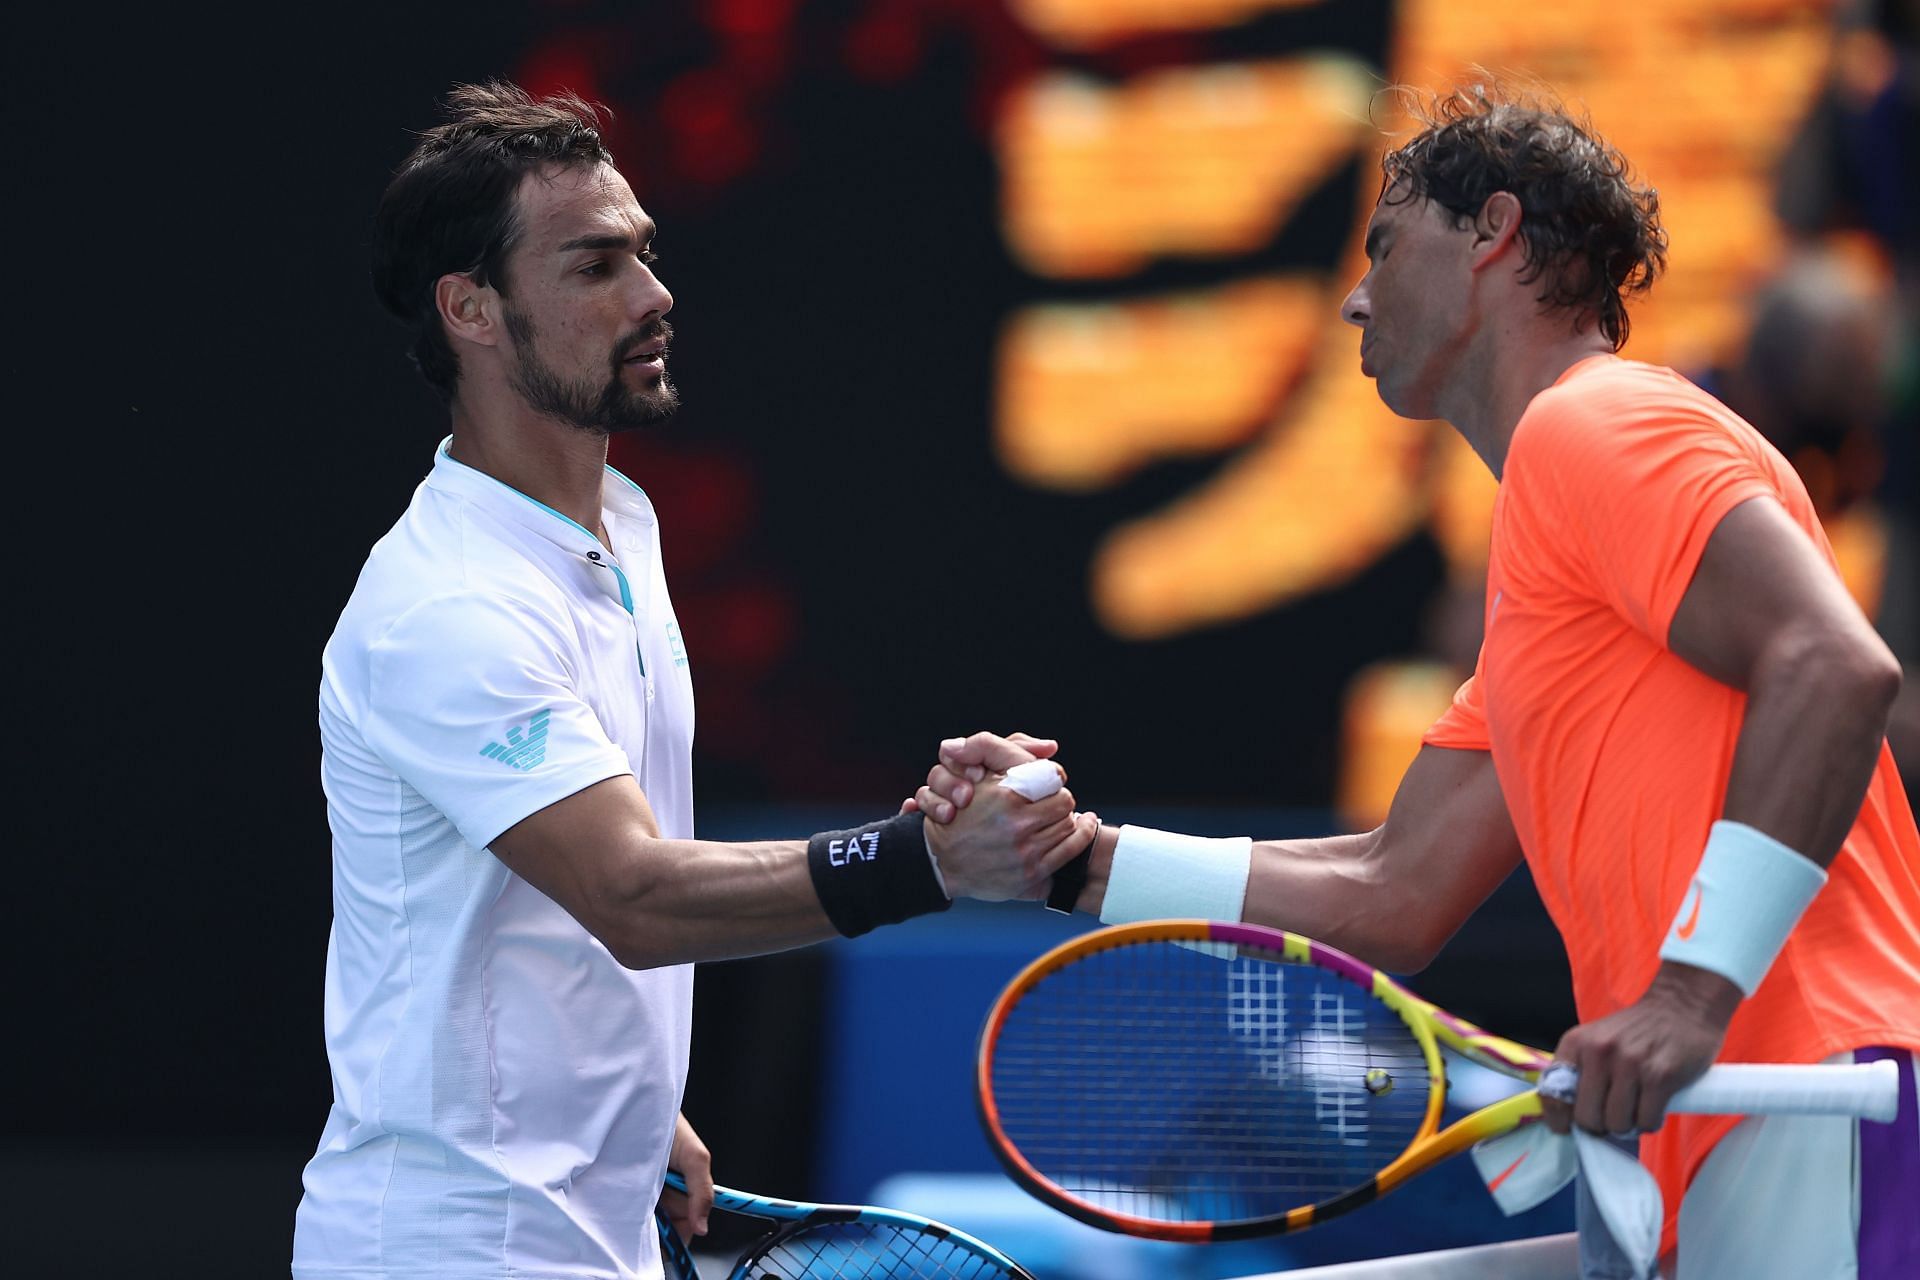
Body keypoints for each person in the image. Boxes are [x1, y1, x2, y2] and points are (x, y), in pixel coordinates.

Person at [920, 82, 1920, 1278]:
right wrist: (1076, 858)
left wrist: (1686, 997)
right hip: (1727, 1126)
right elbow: (1392, 889)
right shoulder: (1550, 558)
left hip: (1811, 1096)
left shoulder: (1594, 422)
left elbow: (1838, 665)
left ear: (1491, 232)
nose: (1354, 294)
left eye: (1382, 246)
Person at [294, 82, 1093, 1280]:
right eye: (595, 266)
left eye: (646, 255)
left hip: (590, 1224)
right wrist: (926, 858)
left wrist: (623, 1099)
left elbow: (542, 913)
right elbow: (630, 889)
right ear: (471, 307)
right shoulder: (447, 607)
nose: (655, 295)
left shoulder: (620, 521)